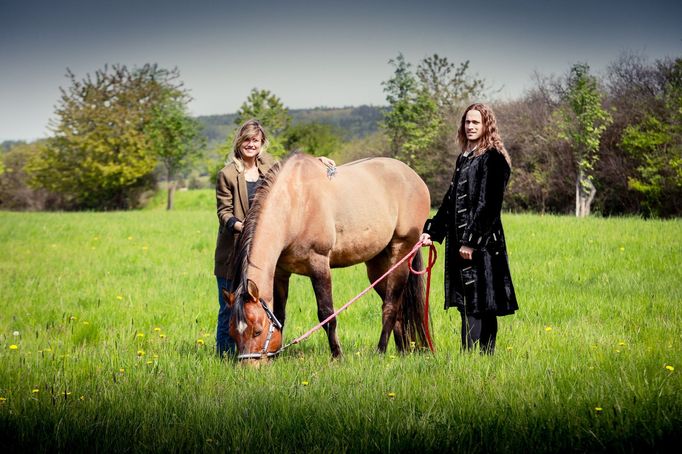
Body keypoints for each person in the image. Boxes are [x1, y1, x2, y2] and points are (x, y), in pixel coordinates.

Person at [213, 119, 335, 357]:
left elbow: (294, 173)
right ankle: (225, 355)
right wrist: (244, 226)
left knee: (257, 308)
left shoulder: (269, 165)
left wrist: (317, 162)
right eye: (246, 140)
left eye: (255, 141)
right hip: (234, 251)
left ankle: (263, 348)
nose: (251, 145)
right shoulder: (227, 174)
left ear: (262, 143)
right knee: (229, 309)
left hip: (263, 253)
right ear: (239, 142)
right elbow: (223, 212)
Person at [420, 103, 517, 354]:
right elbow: (451, 202)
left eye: (476, 122)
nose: (471, 126)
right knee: (467, 302)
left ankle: (477, 358)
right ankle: (474, 359)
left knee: (482, 302)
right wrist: (432, 232)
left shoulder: (493, 159)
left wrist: (470, 241)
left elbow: (489, 206)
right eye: (467, 122)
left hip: (483, 246)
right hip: (460, 244)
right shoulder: (463, 159)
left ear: (487, 126)